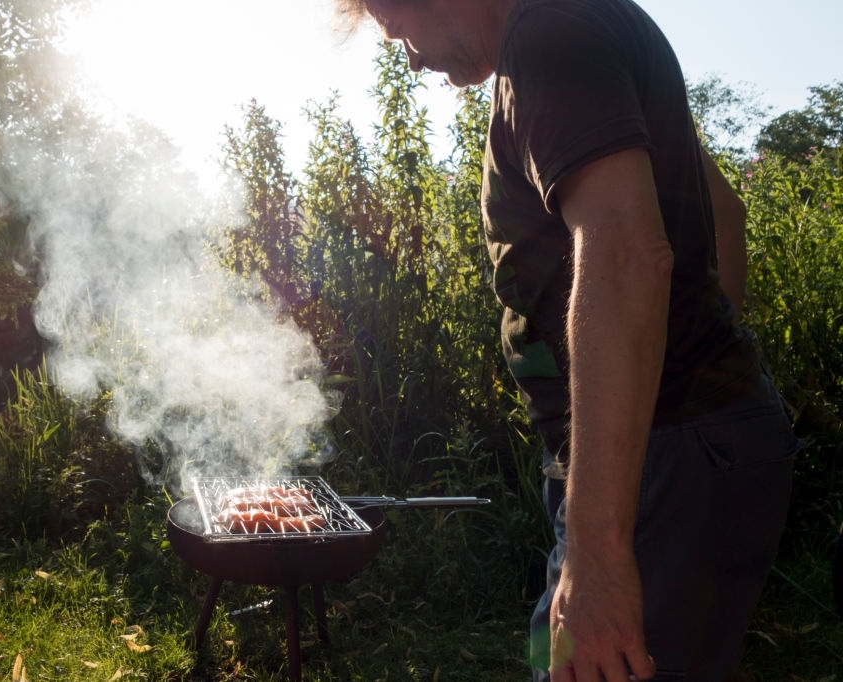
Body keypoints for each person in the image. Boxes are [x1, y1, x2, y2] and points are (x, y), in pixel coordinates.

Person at [331, 0, 800, 680]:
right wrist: (703, 360)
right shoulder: (577, 28)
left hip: (661, 457)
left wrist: (603, 558)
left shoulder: (549, 36)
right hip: (677, 449)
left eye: (400, 30)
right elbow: (722, 209)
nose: (410, 58)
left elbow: (625, 253)